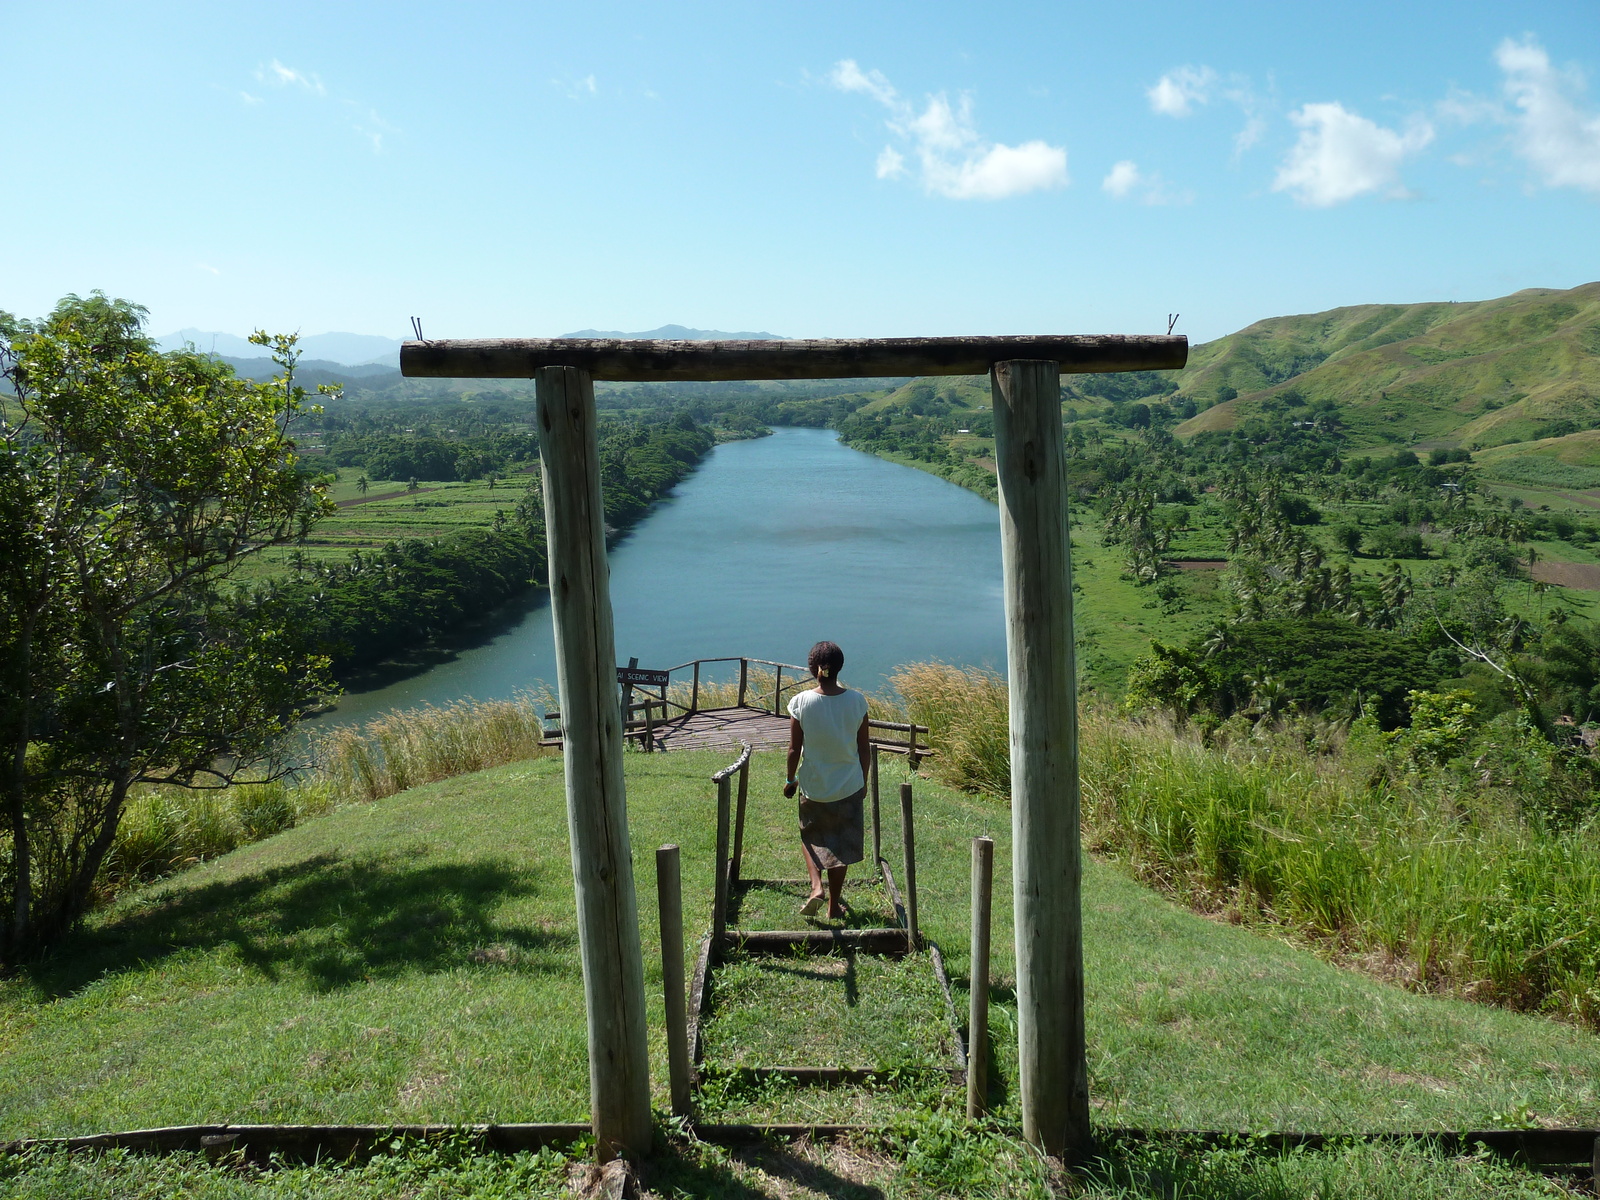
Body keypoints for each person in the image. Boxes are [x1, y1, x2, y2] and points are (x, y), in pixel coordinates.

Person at [783, 640, 870, 919]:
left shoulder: (801, 702)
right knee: (841, 846)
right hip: (848, 785)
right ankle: (834, 907)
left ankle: (816, 887)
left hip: (814, 785)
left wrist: (789, 778)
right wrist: (864, 781)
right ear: (840, 667)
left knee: (810, 837)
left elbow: (794, 749)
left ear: (812, 668)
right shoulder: (857, 701)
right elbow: (863, 748)